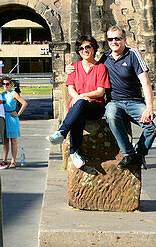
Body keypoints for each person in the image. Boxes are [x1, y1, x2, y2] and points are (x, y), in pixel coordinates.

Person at [100, 26, 156, 170]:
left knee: (155, 125)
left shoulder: (133, 54)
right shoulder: (105, 57)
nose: (114, 41)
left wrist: (149, 108)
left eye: (117, 38)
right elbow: (90, 69)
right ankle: (128, 153)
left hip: (134, 102)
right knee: (111, 114)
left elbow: (145, 82)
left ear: (124, 39)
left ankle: (139, 154)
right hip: (115, 102)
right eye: (110, 39)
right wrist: (71, 69)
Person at [47, 37, 110, 169]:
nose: (84, 50)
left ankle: (62, 133)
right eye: (81, 48)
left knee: (79, 105)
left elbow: (100, 91)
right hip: (78, 105)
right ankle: (75, 153)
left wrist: (82, 96)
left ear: (94, 48)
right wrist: (78, 97)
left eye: (88, 47)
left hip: (95, 106)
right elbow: (70, 88)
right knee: (78, 113)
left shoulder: (101, 68)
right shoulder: (74, 67)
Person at [1, 77, 27, 167]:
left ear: (11, 84)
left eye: (7, 84)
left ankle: (13, 161)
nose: (5, 86)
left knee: (13, 141)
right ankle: (4, 160)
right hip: (5, 117)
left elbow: (24, 103)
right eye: (3, 84)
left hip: (12, 118)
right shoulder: (2, 94)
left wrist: (18, 113)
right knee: (6, 141)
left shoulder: (14, 93)